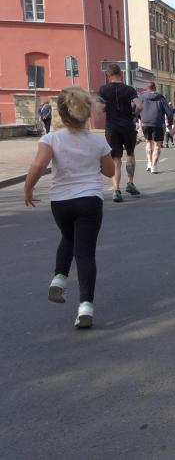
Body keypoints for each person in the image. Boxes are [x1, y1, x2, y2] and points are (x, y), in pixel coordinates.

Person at [24, 87, 115, 329]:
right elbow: (110, 172)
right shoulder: (97, 140)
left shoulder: (51, 139)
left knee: (67, 237)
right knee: (85, 254)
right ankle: (85, 308)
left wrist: (28, 189)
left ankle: (58, 279)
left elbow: (39, 164)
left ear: (60, 113)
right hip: (90, 200)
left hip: (61, 201)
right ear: (87, 112)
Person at [97, 63, 142, 203]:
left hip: (112, 128)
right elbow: (139, 106)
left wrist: (107, 110)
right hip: (128, 126)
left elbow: (99, 108)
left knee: (116, 159)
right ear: (120, 73)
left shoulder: (103, 89)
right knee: (130, 154)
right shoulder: (129, 89)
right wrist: (134, 115)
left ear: (108, 75)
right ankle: (130, 183)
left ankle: (116, 190)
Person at [139, 82, 173, 174]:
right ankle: (154, 166)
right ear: (155, 88)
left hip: (145, 123)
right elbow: (169, 113)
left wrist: (139, 118)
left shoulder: (142, 97)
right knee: (157, 145)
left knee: (148, 142)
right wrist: (170, 124)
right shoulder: (161, 98)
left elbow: (135, 108)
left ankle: (149, 163)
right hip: (158, 124)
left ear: (147, 88)